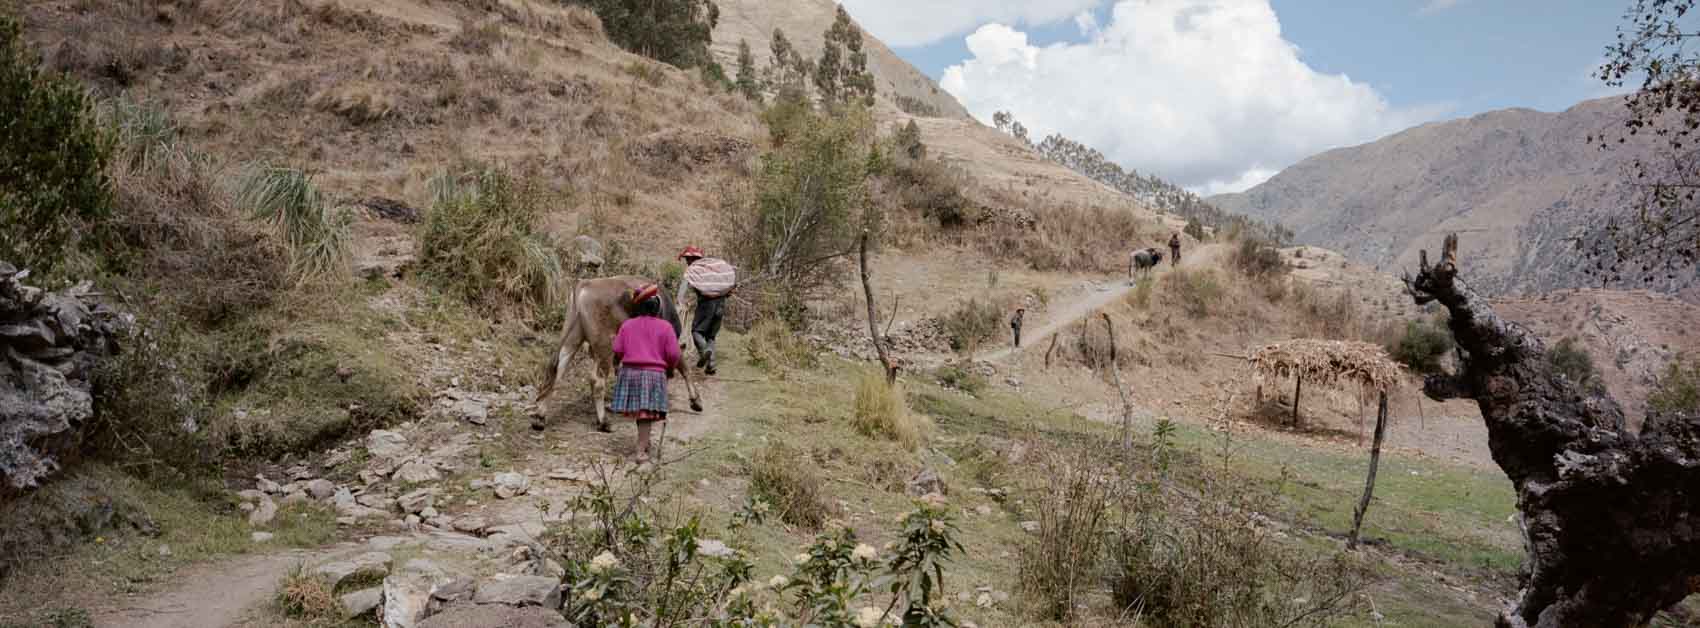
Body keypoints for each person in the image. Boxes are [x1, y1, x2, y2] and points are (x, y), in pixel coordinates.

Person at [609, 285, 682, 463]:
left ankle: (644, 442)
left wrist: (620, 361)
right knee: (645, 413)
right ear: (657, 307)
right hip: (653, 374)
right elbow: (674, 354)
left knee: (642, 412)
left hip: (630, 373)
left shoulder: (627, 325)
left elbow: (617, 349)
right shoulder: (665, 327)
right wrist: (670, 368)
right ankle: (641, 451)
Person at [676, 246, 734, 375]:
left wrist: (680, 302)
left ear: (691, 259)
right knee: (711, 336)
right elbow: (728, 287)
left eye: (687, 259)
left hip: (706, 304)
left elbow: (682, 291)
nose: (687, 261)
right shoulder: (713, 268)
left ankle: (706, 353)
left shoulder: (692, 270)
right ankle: (711, 366)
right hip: (721, 304)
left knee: (696, 331)